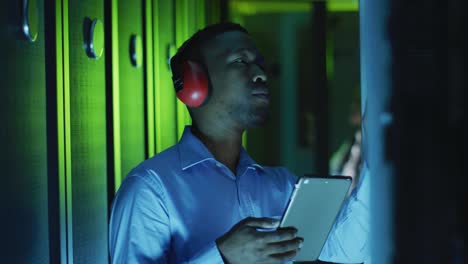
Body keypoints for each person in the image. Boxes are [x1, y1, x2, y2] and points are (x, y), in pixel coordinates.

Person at [109, 22, 369, 264]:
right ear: (194, 84)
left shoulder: (283, 186)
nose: (260, 75)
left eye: (261, 65)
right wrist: (223, 257)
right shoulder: (150, 190)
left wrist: (376, 150)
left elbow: (343, 252)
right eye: (241, 61)